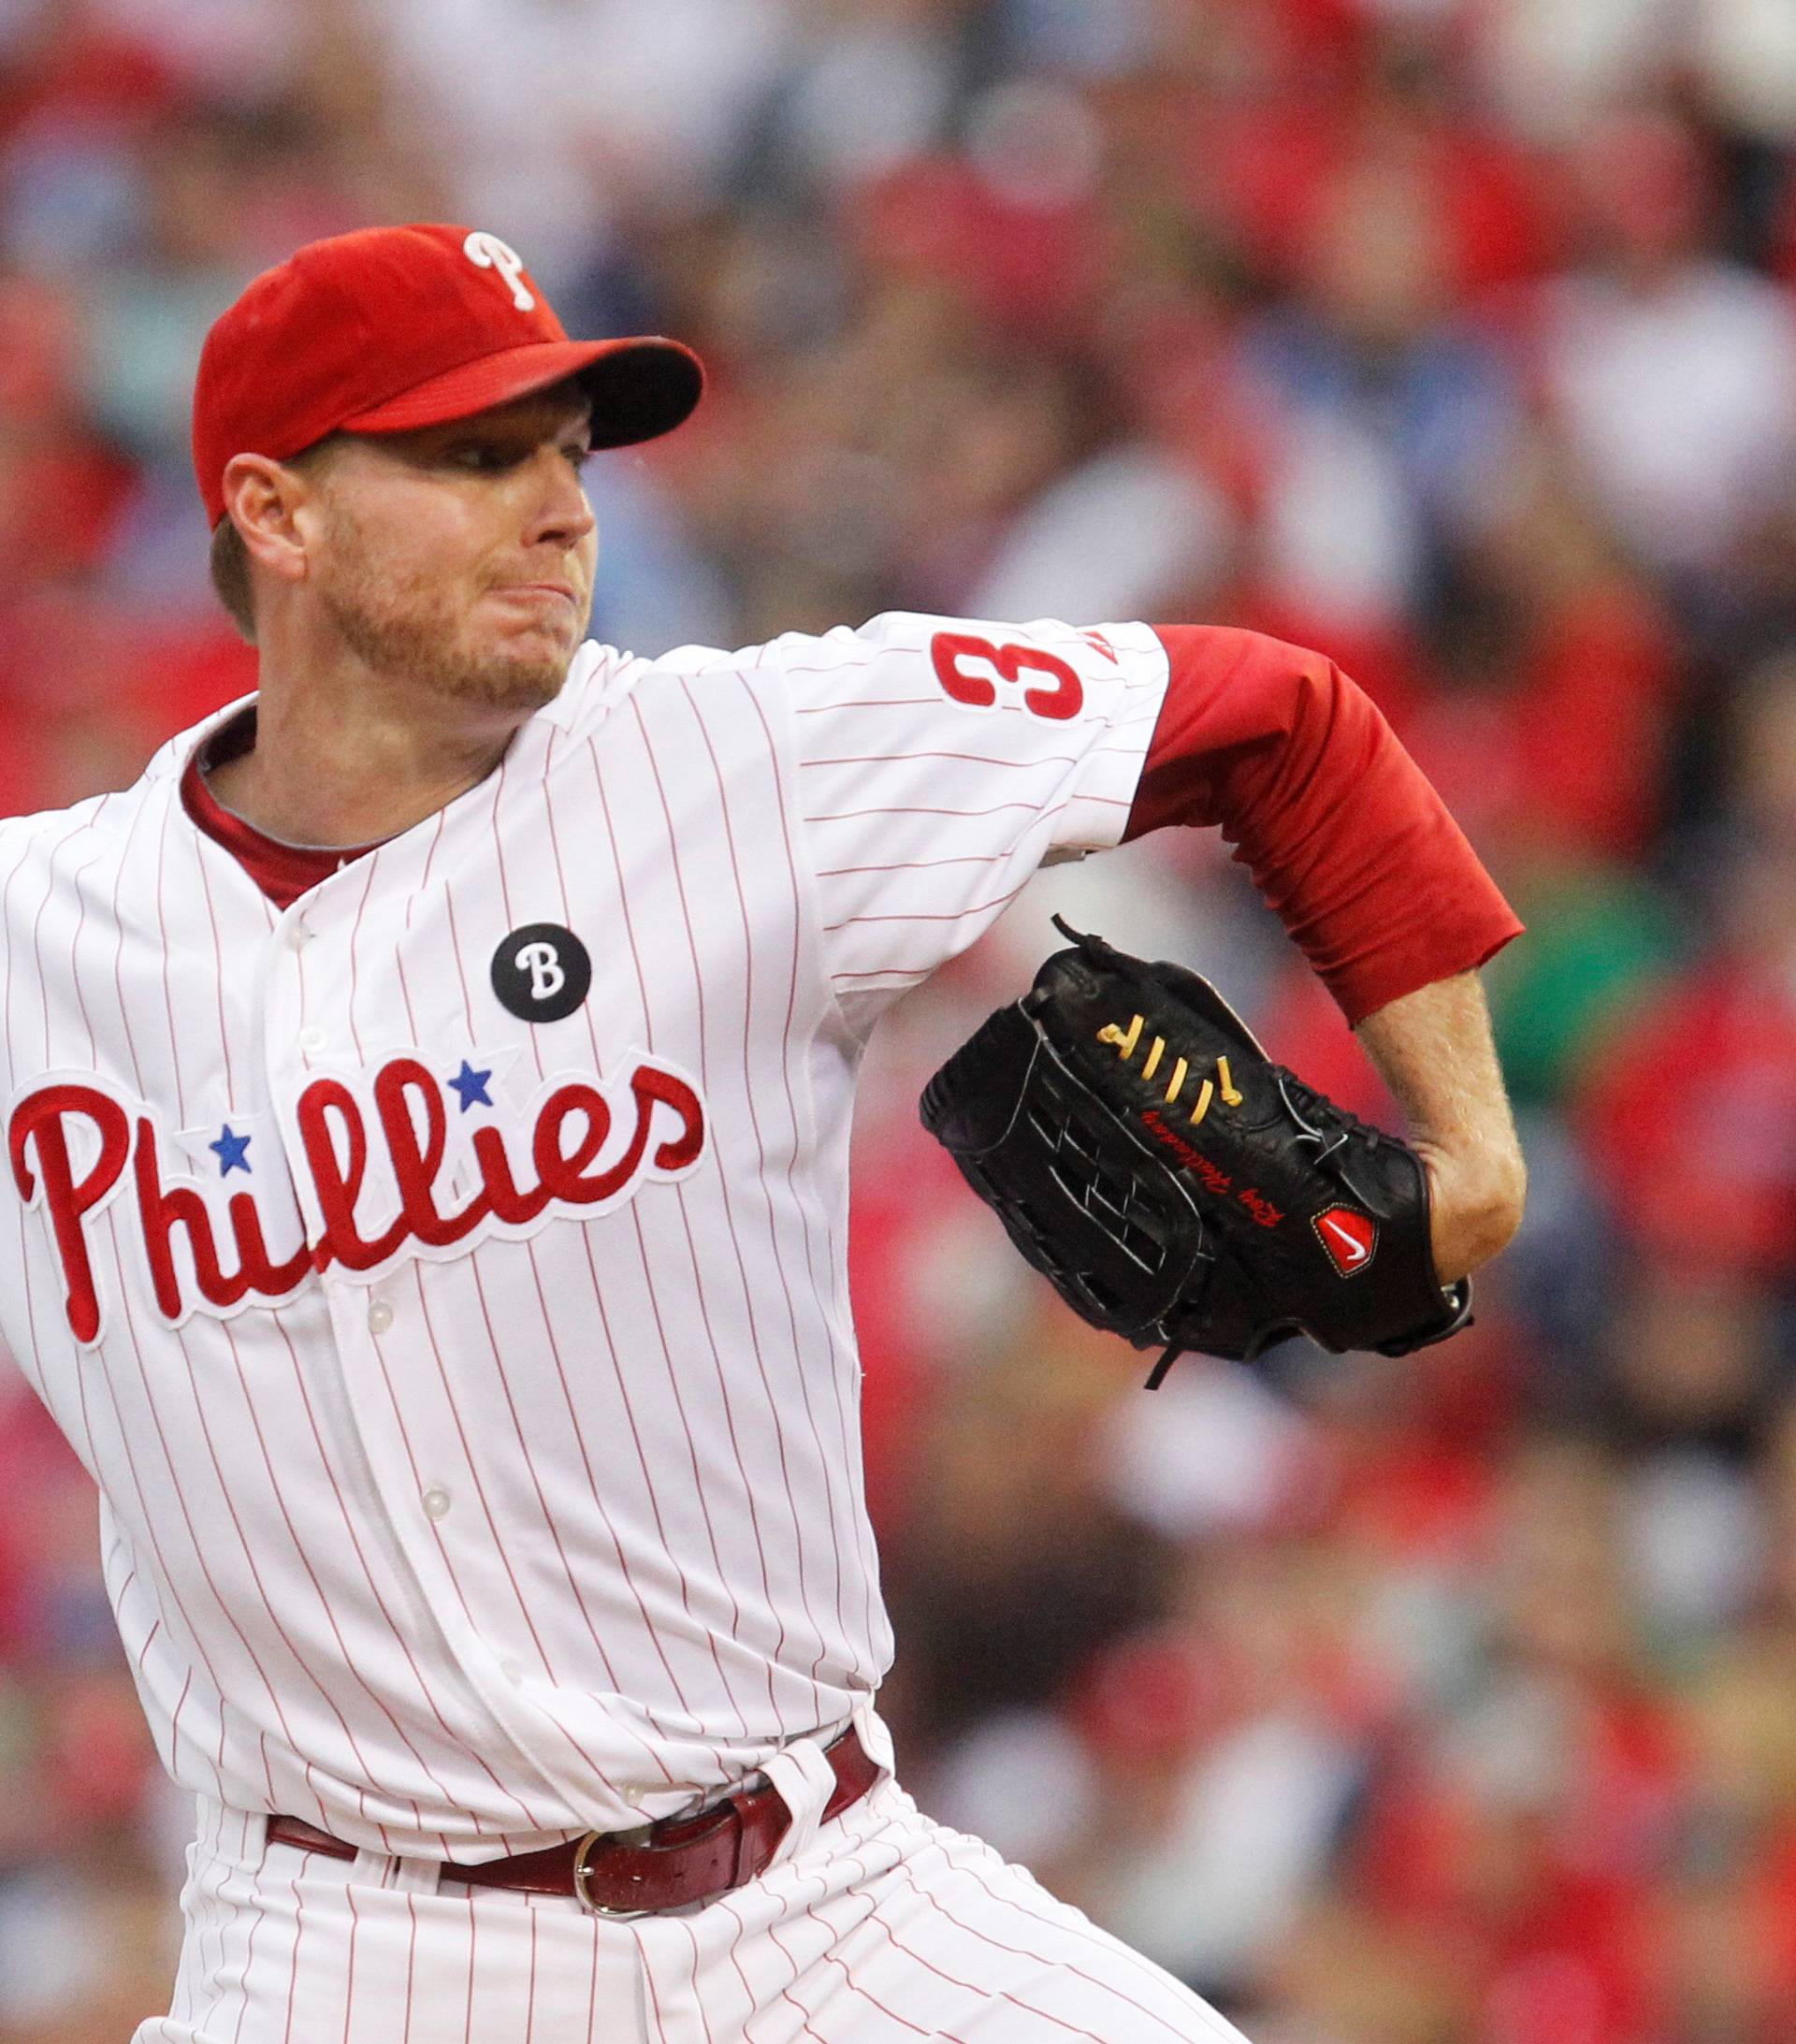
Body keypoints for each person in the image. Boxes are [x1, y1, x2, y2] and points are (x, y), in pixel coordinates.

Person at [0, 225, 1525, 2042]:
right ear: (278, 512)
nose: (561, 508)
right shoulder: (41, 943)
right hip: (353, 1959)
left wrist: (1473, 1148)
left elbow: (1284, 722)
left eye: (569, 452)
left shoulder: (743, 765)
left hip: (827, 1902)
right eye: (476, 458)